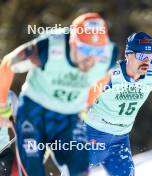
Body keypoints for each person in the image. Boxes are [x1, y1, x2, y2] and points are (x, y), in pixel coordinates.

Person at [0, 12, 117, 176]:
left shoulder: (107, 55)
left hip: (67, 116)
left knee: (80, 169)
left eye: (97, 51)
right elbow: (7, 65)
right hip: (34, 113)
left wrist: (87, 103)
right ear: (73, 42)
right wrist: (2, 106)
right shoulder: (48, 48)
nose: (91, 59)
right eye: (85, 49)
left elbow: (104, 77)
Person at [84, 32, 152, 176]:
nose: (146, 61)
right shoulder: (112, 75)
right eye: (141, 56)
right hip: (93, 135)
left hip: (120, 141)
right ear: (128, 54)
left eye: (150, 56)